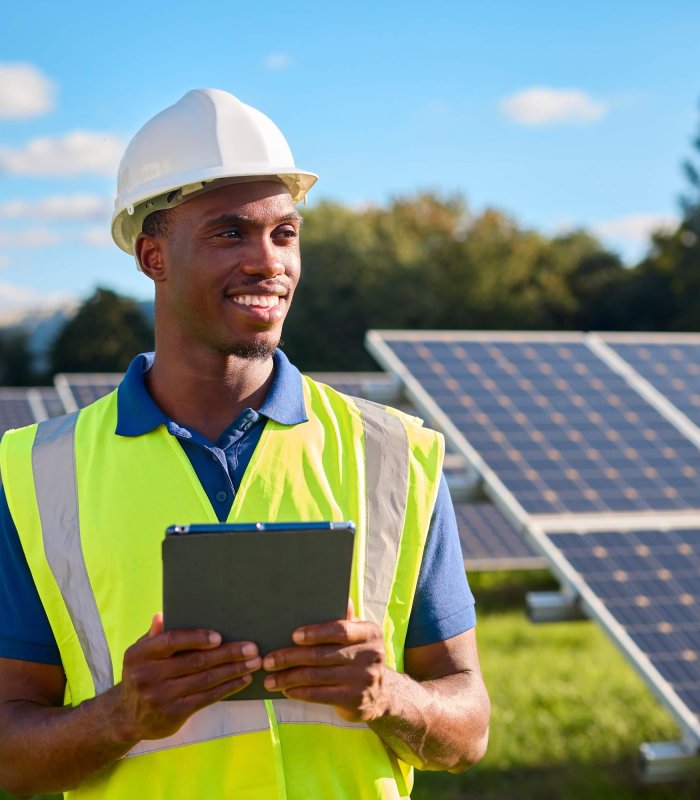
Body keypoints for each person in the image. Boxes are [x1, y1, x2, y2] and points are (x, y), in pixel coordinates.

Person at [0, 89, 490, 799]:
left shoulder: (397, 457)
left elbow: (468, 732)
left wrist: (388, 695)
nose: (269, 262)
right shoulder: (34, 476)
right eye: (230, 233)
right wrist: (123, 717)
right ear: (152, 256)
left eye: (284, 233)